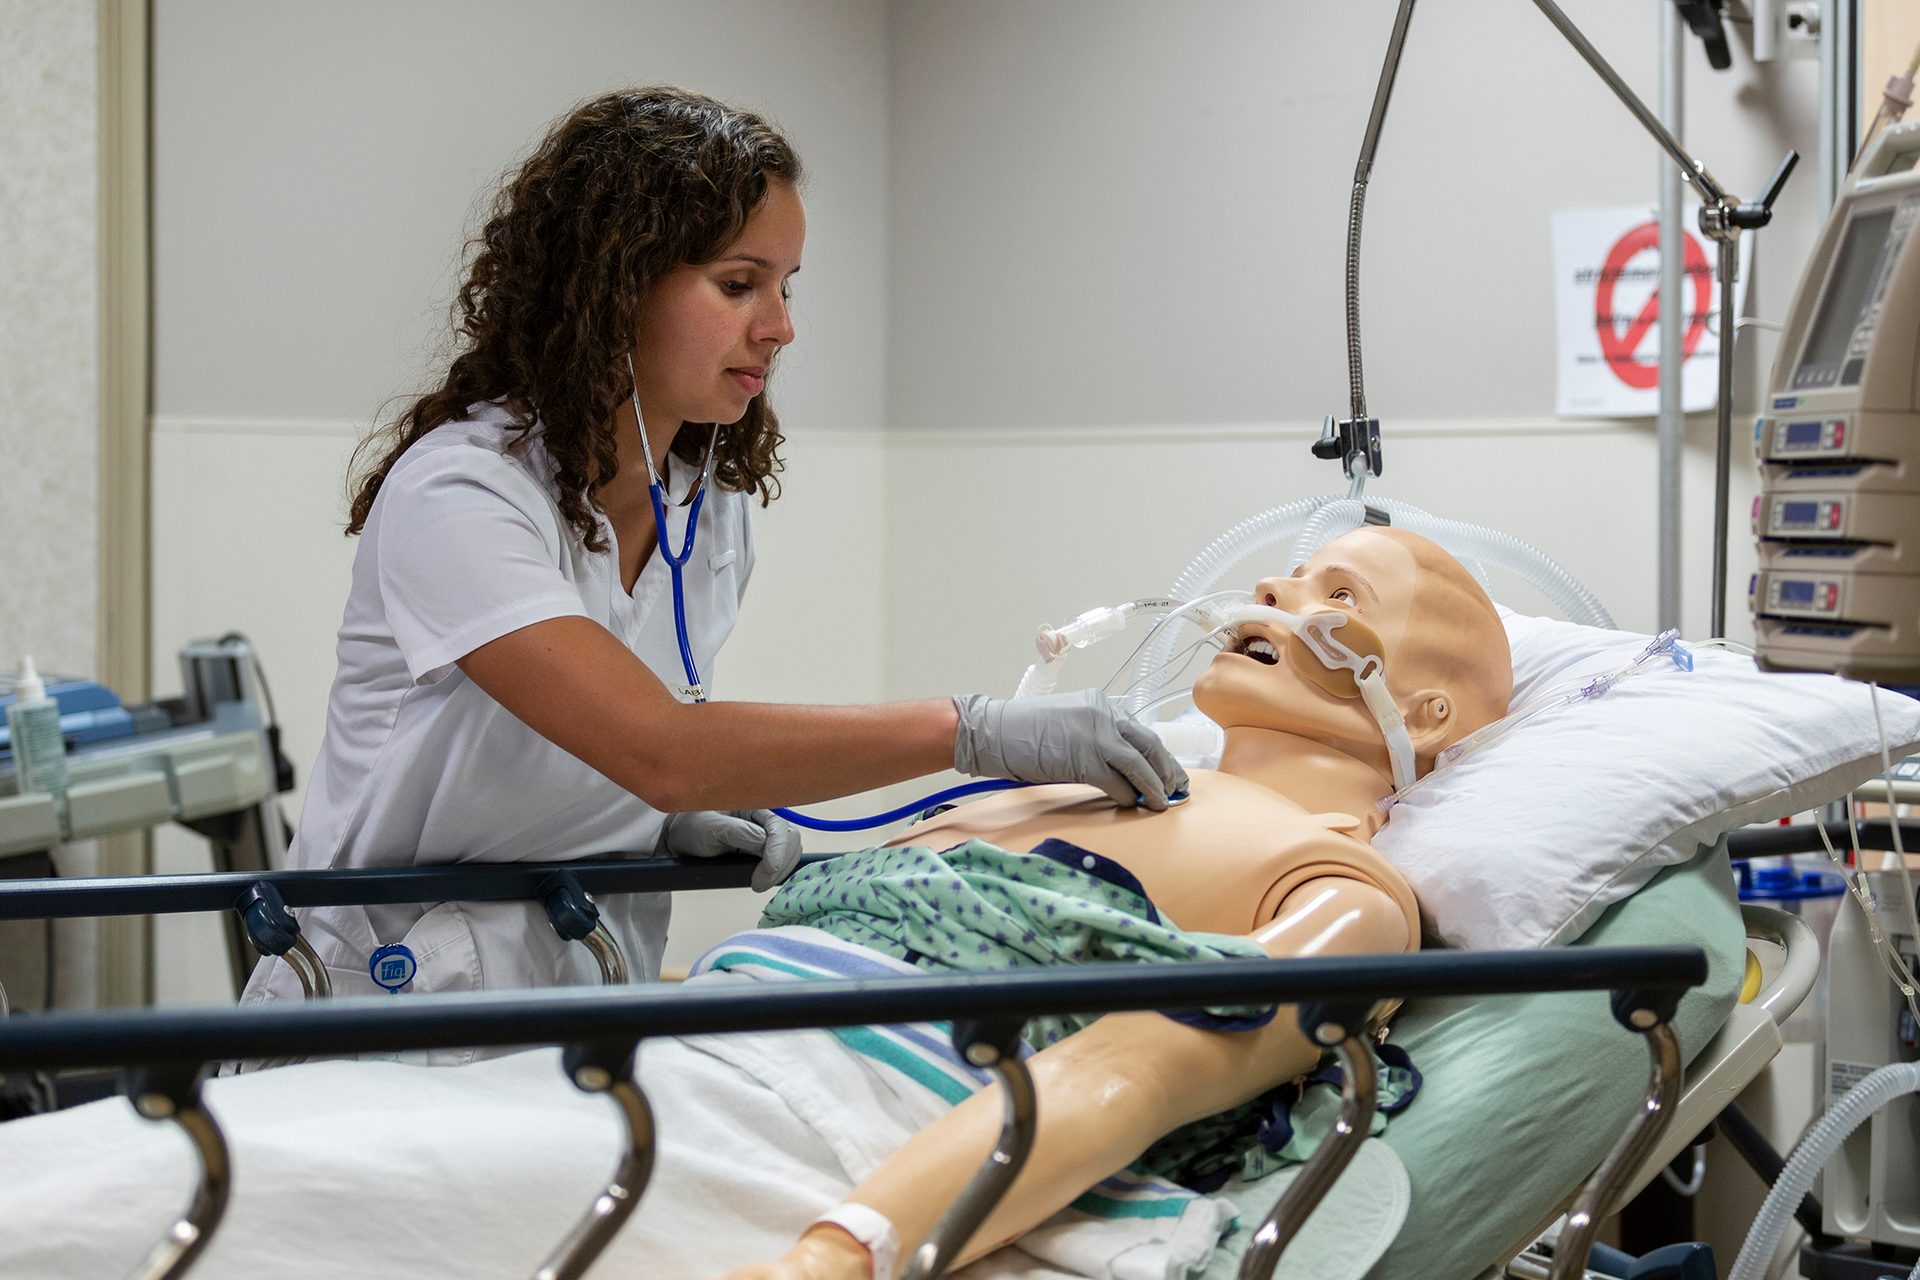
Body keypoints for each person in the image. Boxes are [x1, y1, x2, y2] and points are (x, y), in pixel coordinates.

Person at [0, 528, 1513, 1280]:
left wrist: (845, 1250)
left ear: (1429, 709)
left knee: (169, 1209)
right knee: (171, 1158)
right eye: (1284, 576)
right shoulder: (1068, 795)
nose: (1271, 606)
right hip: (660, 1049)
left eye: (1340, 605)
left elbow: (1119, 1076)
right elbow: (831, 877)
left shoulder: (1345, 891)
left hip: (824, 1117)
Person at [241, 87, 1184, 1009]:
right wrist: (969, 731)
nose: (780, 326)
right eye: (739, 285)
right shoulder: (462, 494)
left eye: (784, 286)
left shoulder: (706, 506)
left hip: (579, 986)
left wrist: (646, 823)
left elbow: (620, 756)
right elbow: (656, 742)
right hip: (376, 998)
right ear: (614, 285)